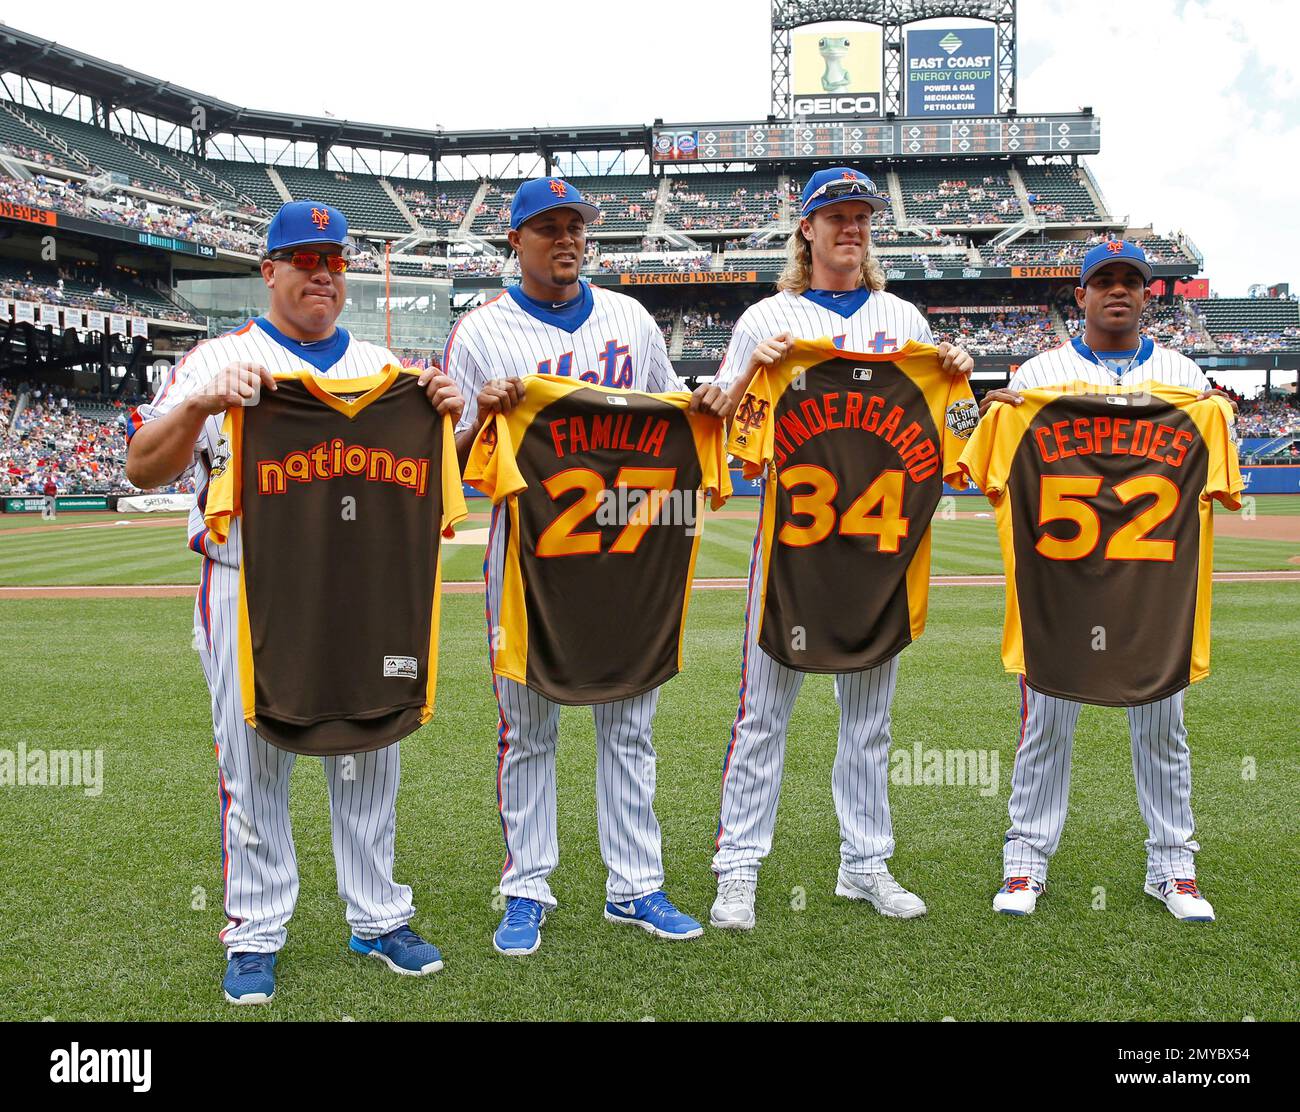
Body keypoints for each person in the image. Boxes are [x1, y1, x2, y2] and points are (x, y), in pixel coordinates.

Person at [124, 200, 465, 1004]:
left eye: (335, 261)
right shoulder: (216, 358)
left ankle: (378, 914)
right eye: (304, 259)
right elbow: (143, 467)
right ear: (269, 270)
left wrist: (443, 423)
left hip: (361, 590)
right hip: (246, 584)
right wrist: (204, 404)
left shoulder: (383, 368)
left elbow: (421, 482)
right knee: (252, 764)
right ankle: (254, 929)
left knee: (369, 751)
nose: (322, 272)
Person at [441, 176, 731, 956]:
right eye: (547, 228)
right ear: (515, 241)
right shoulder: (480, 334)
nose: (566, 239)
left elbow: (673, 419)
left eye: (575, 227)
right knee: (527, 729)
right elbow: (456, 462)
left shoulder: (629, 319)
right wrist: (488, 417)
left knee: (629, 725)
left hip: (625, 555)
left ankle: (635, 887)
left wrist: (705, 404)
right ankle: (526, 888)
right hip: (528, 561)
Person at [708, 167, 974, 931]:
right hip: (791, 548)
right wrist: (760, 368)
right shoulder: (767, 318)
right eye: (835, 218)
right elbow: (727, 423)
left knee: (870, 720)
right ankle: (738, 869)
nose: (850, 229)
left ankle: (864, 864)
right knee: (762, 716)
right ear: (807, 229)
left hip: (878, 551)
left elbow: (956, 433)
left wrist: (958, 377)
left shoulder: (906, 319)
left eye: (861, 218)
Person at [974, 240, 1226, 921]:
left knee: (1162, 725)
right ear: (1079, 296)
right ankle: (1025, 862)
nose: (1118, 291)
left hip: (1151, 585)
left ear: (1148, 295)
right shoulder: (1037, 374)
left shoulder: (1186, 377)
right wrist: (1001, 414)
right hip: (1063, 583)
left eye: (1131, 282)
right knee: (1047, 723)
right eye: (1103, 281)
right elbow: (989, 470)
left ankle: (1173, 866)